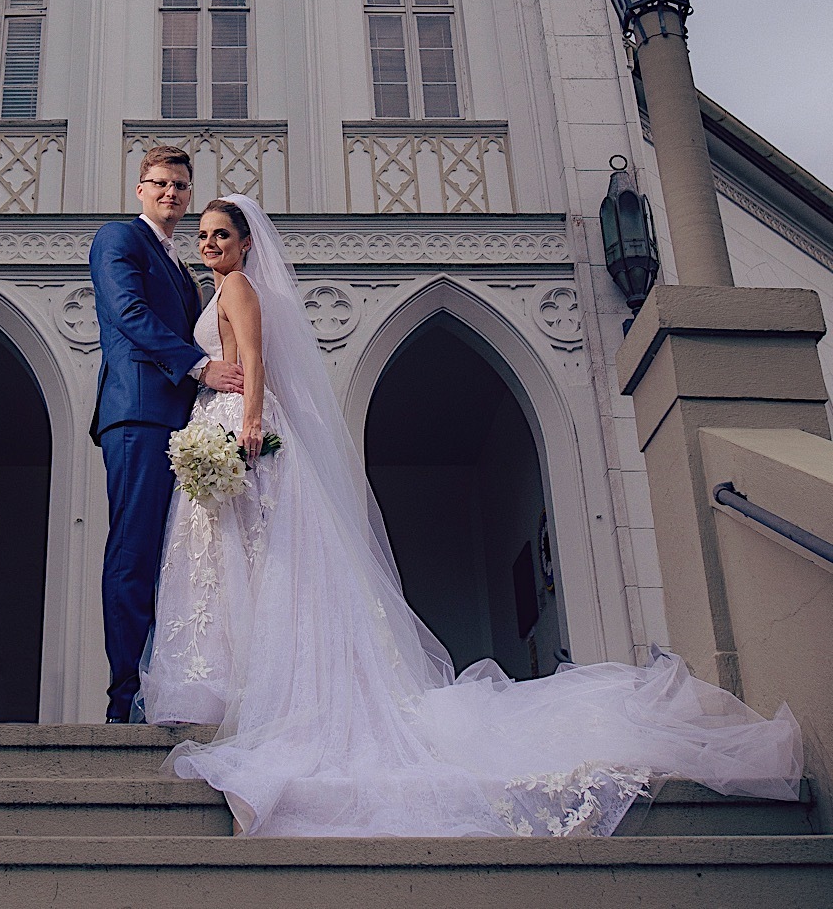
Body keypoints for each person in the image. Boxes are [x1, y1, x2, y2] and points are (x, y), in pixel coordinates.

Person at [140, 194, 803, 837]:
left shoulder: (238, 290)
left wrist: (250, 422)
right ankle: (239, 679)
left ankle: (260, 689)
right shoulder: (216, 290)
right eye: (203, 237)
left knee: (264, 558)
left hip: (244, 430)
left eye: (221, 236)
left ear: (247, 242)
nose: (210, 245)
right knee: (240, 559)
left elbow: (253, 360)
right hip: (218, 424)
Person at [88, 147, 243, 723]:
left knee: (177, 557)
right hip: (138, 414)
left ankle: (165, 683)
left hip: (185, 423)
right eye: (160, 184)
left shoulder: (182, 266)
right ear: (140, 189)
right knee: (133, 549)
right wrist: (202, 368)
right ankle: (123, 698)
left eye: (180, 186)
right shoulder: (118, 240)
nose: (171, 194)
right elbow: (128, 312)